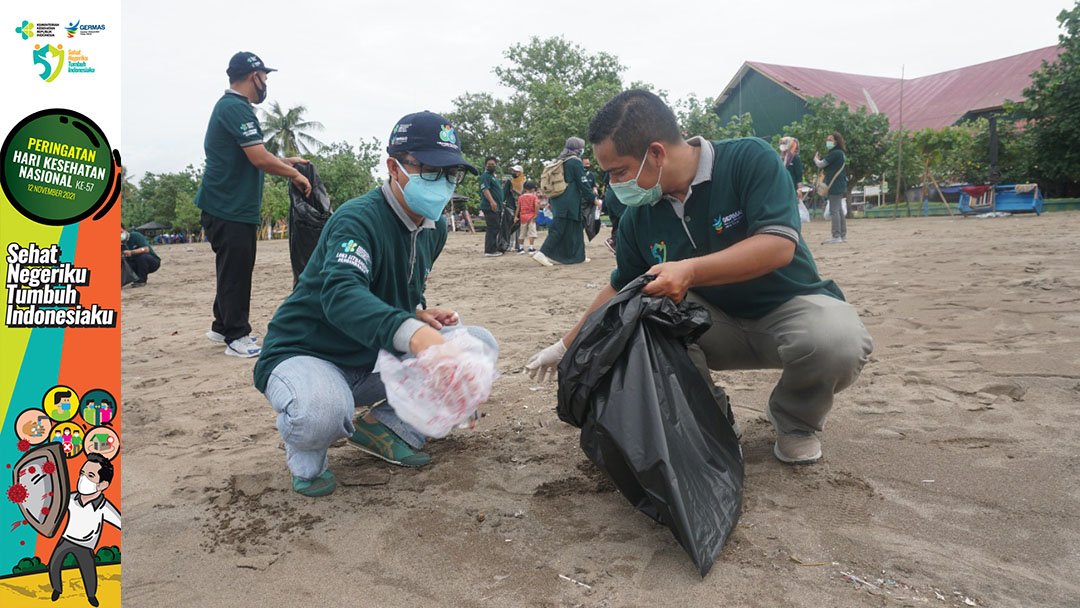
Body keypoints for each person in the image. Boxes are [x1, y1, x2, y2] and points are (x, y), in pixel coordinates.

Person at [525, 90, 873, 465]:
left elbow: (777, 246)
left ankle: (795, 421)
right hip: (711, 328)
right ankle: (714, 419)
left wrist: (689, 269)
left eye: (619, 172)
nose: (614, 186)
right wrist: (565, 346)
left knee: (839, 340)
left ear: (656, 153)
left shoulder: (747, 159)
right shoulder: (638, 219)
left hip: (787, 309)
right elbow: (618, 288)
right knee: (637, 314)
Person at [253, 111, 498, 497]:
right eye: (431, 170)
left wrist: (415, 313)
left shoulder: (434, 230)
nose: (444, 183)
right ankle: (303, 443)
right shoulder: (358, 220)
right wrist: (415, 335)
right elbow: (342, 295)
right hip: (308, 353)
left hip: (368, 356)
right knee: (320, 414)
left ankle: (384, 428)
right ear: (394, 167)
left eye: (452, 172)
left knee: (479, 344)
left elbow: (390, 289)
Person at [194, 51, 312, 358]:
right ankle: (237, 336)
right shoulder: (236, 108)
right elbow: (260, 159)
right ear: (253, 77)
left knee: (231, 267)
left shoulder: (231, 107)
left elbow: (252, 156)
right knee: (237, 270)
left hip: (225, 204)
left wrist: (287, 161)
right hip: (229, 206)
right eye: (265, 78)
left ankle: (222, 326)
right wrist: (296, 175)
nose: (266, 84)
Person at [49, 454, 120, 607]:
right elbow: (55, 505)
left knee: (88, 573)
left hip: (86, 545)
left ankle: (91, 596)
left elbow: (120, 522)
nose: (83, 478)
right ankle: (57, 589)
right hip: (66, 539)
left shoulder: (104, 507)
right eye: (82, 473)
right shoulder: (71, 499)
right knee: (54, 564)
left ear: (102, 485)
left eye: (90, 475)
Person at [532, 137, 595, 266]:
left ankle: (578, 256)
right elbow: (583, 183)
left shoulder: (561, 160)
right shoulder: (575, 162)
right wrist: (593, 199)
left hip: (558, 199)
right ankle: (542, 253)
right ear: (577, 148)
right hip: (569, 201)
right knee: (558, 228)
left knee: (575, 228)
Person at [814, 131, 848, 243]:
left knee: (834, 210)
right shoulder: (841, 153)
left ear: (836, 141)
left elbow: (821, 164)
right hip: (840, 184)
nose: (828, 142)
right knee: (839, 210)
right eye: (827, 140)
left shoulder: (835, 153)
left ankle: (836, 236)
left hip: (834, 185)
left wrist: (815, 159)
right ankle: (842, 235)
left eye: (830, 140)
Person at [480, 156, 505, 257]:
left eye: (493, 165)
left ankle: (494, 248)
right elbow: (485, 189)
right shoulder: (485, 176)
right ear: (486, 165)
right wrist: (492, 201)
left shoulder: (494, 177)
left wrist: (500, 202)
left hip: (497, 206)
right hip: (489, 206)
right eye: (489, 165)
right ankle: (489, 250)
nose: (491, 166)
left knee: (496, 227)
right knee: (492, 227)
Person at [600, 171, 625, 254]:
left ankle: (615, 242)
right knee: (624, 221)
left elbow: (605, 183)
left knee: (616, 222)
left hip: (611, 195)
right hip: (618, 196)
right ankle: (614, 242)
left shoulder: (613, 167)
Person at [516, 180, 541, 253]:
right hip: (531, 217)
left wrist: (515, 216)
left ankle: (521, 248)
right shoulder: (534, 197)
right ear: (532, 189)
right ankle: (531, 248)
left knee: (522, 233)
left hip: (523, 217)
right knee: (531, 233)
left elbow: (518, 207)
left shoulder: (521, 197)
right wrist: (536, 214)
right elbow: (536, 205)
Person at [506, 165, 525, 252]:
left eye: (516, 171)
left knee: (519, 227)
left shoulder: (524, 183)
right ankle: (510, 244)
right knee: (511, 225)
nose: (514, 173)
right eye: (513, 171)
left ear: (520, 173)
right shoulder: (510, 182)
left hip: (522, 207)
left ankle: (519, 245)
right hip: (511, 206)